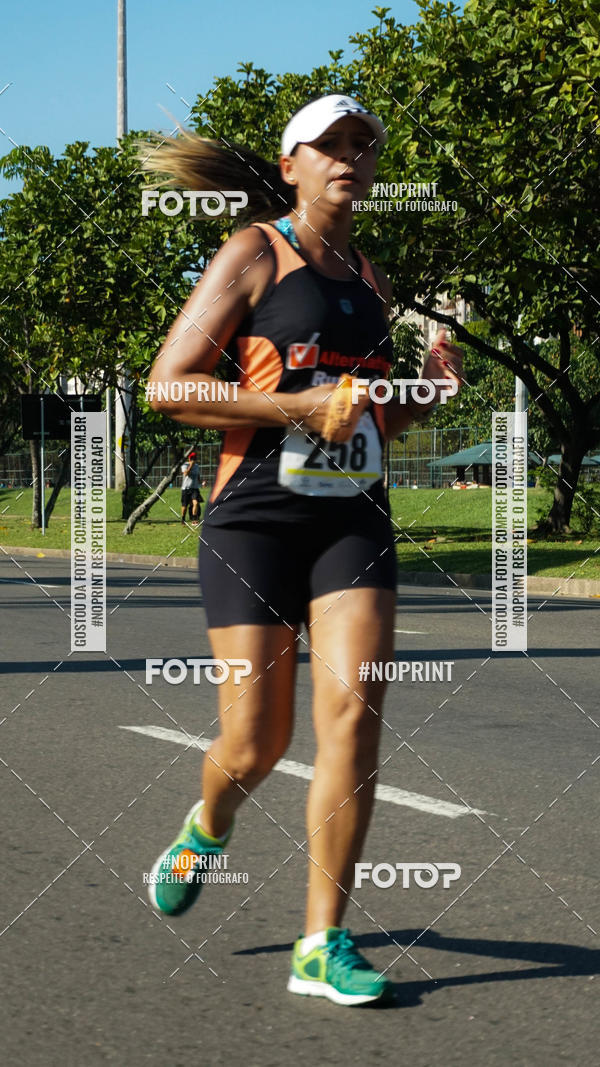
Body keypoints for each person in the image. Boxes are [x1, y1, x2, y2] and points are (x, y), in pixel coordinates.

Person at [144, 94, 464, 1006]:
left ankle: (322, 941)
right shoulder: (255, 252)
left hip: (352, 516)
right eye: (330, 145)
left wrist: (421, 396)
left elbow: (367, 417)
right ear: (292, 165)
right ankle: (207, 823)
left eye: (363, 145)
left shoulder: (369, 278)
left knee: (356, 716)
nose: (350, 158)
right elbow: (169, 385)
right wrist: (295, 408)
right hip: (255, 519)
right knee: (255, 741)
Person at [180, 451, 202, 525]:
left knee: (195, 503)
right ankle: (183, 519)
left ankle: (194, 519)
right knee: (185, 506)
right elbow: (185, 474)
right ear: (189, 458)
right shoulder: (184, 465)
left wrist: (201, 482)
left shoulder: (197, 466)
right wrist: (190, 466)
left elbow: (198, 475)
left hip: (194, 488)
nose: (193, 459)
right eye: (192, 458)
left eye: (195, 458)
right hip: (186, 488)